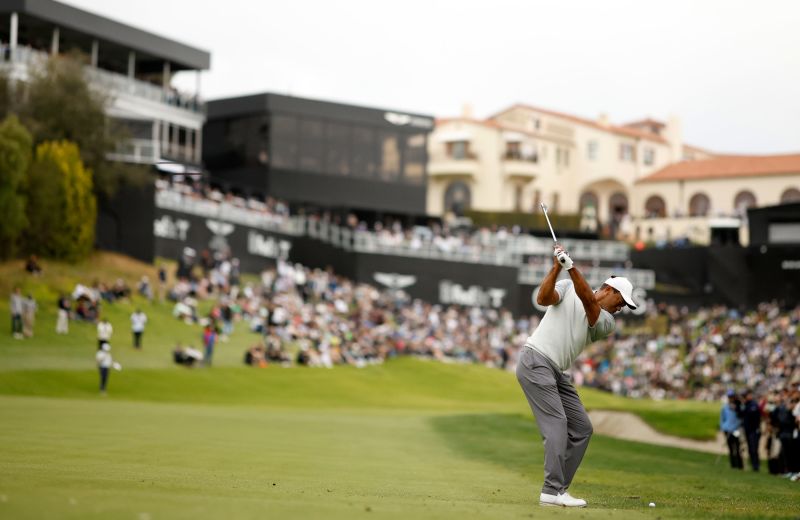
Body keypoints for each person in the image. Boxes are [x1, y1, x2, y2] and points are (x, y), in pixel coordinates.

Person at [516, 245, 637, 508]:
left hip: (556, 371)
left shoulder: (606, 321)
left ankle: (558, 489)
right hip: (536, 360)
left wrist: (571, 268)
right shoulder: (569, 286)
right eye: (622, 301)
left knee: (582, 428)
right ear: (610, 290)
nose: (622, 308)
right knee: (558, 424)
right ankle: (551, 491)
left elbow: (589, 304)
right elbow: (543, 298)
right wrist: (558, 266)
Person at [720, 390, 744, 469]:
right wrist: (723, 427)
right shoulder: (725, 407)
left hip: (736, 430)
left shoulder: (738, 406)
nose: (731, 398)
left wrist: (735, 426)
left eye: (732, 397)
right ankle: (733, 465)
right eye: (729, 397)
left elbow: (741, 418)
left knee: (737, 447)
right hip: (727, 430)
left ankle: (740, 465)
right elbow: (722, 419)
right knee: (730, 448)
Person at [741, 390, 762, 472]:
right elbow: (742, 414)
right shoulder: (745, 405)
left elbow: (754, 418)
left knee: (754, 449)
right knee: (750, 449)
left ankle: (756, 466)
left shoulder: (753, 405)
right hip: (748, 430)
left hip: (754, 430)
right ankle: (753, 465)